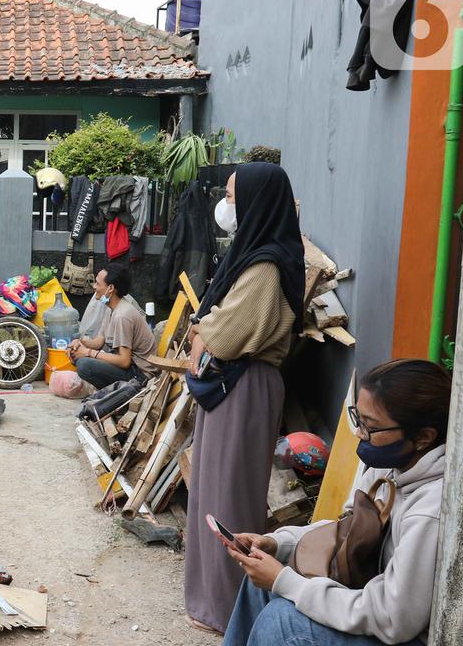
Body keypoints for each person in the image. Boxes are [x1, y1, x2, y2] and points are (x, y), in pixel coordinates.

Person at [223, 359, 450, 646]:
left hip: (400, 634)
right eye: (359, 420)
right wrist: (279, 544)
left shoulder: (430, 509)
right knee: (260, 580)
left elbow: (393, 619)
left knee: (283, 620)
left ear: (423, 437)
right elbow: (345, 531)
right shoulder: (389, 467)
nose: (359, 434)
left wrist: (285, 581)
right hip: (366, 596)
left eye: (371, 428)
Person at [184, 162, 305, 635]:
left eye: (233, 197)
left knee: (230, 494)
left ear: (258, 202)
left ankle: (228, 608)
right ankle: (209, 600)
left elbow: (227, 333)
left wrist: (202, 330)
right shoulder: (253, 254)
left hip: (245, 383)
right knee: (212, 490)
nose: (226, 205)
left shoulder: (267, 265)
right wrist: (204, 329)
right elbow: (213, 321)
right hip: (231, 385)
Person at [67, 264, 157, 388]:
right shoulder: (111, 308)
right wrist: (80, 343)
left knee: (84, 365)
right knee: (80, 357)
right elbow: (99, 342)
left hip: (140, 375)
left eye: (97, 284)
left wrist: (87, 352)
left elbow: (124, 361)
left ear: (110, 288)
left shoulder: (122, 315)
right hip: (130, 368)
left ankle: (117, 395)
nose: (94, 287)